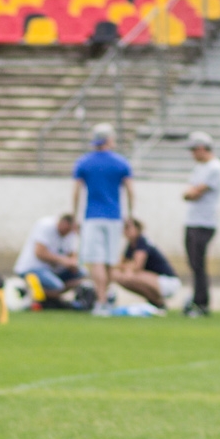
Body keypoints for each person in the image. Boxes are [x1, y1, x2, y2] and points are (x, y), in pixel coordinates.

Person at [71, 123, 134, 316]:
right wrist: (130, 216)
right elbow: (130, 191)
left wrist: (75, 216)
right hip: (114, 217)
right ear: (109, 139)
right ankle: (107, 298)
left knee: (95, 260)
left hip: (92, 216)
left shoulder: (84, 162)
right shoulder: (121, 163)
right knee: (110, 260)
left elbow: (76, 192)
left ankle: (101, 301)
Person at [181, 130, 220, 317]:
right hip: (192, 220)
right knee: (193, 263)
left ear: (201, 148)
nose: (192, 154)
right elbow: (189, 192)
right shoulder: (200, 167)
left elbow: (194, 193)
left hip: (205, 222)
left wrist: (191, 193)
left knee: (198, 264)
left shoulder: (215, 168)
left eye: (194, 150)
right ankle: (196, 299)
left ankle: (202, 303)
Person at [12, 212, 83, 303]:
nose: (68, 233)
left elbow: (72, 255)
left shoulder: (70, 233)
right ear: (64, 223)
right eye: (67, 229)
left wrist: (73, 264)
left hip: (52, 271)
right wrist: (62, 260)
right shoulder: (46, 225)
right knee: (57, 286)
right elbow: (39, 253)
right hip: (33, 268)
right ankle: (32, 294)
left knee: (80, 273)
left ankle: (52, 297)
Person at [113, 218, 181, 309]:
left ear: (137, 228)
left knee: (129, 276)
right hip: (155, 280)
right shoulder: (131, 245)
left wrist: (126, 268)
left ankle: (157, 301)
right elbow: (120, 265)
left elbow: (137, 266)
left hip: (167, 281)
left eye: (128, 228)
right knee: (119, 276)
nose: (125, 231)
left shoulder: (142, 242)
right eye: (124, 228)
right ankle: (156, 302)